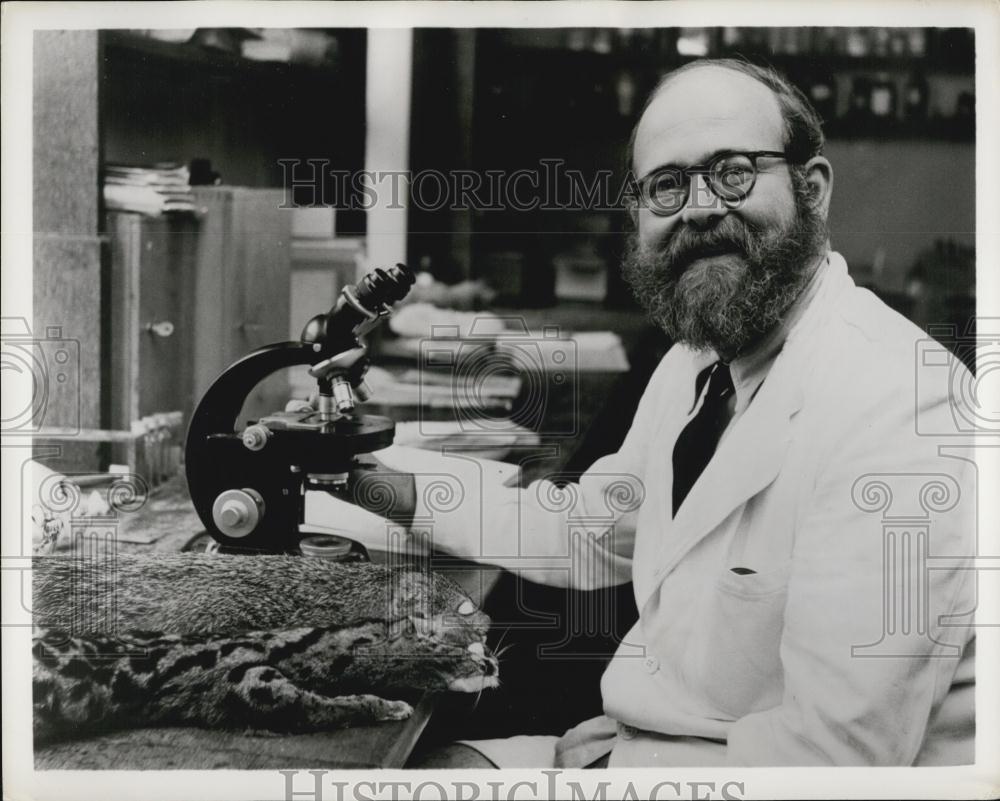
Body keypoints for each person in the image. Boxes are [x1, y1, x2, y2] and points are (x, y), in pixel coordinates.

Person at [343, 58, 976, 767]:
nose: (699, 208)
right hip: (675, 747)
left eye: (733, 170)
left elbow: (836, 761)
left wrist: (627, 763)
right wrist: (365, 478)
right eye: (666, 185)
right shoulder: (700, 362)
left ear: (813, 190)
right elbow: (591, 528)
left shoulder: (898, 406)